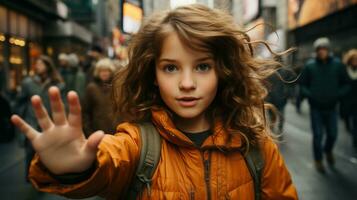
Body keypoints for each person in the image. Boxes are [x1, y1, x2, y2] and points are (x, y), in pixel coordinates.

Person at [11, 4, 298, 199]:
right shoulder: (136, 144)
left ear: (223, 71)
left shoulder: (257, 148)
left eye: (202, 66)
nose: (187, 83)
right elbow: (108, 163)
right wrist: (75, 167)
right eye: (171, 67)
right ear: (153, 73)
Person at [300, 37, 350, 173]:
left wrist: (337, 94)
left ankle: (327, 151)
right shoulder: (310, 66)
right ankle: (318, 160)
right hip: (316, 108)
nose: (322, 52)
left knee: (333, 134)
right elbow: (303, 85)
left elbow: (346, 83)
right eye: (319, 49)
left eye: (324, 49)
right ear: (316, 51)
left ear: (328, 50)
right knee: (317, 135)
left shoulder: (338, 65)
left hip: (332, 107)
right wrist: (310, 95)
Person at [14, 55, 64, 181]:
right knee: (31, 150)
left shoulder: (57, 83)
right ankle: (32, 176)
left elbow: (61, 102)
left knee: (49, 151)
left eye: (41, 64)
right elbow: (20, 101)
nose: (38, 66)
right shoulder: (28, 82)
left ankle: (48, 176)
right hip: (32, 121)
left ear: (48, 66)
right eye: (37, 64)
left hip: (50, 121)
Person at [82, 58, 117, 137]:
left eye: (106, 70)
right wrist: (89, 133)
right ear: (98, 72)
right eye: (101, 71)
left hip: (115, 132)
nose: (104, 73)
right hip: (97, 132)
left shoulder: (116, 87)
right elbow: (85, 113)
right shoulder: (91, 88)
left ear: (111, 72)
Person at [341, 49, 357, 150]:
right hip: (348, 101)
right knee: (349, 120)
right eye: (353, 59)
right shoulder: (345, 70)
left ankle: (355, 140)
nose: (355, 61)